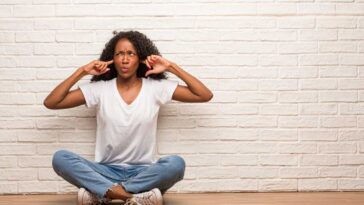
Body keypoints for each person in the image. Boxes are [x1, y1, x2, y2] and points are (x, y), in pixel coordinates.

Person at [43, 30, 213, 205]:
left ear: (140, 58)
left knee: (176, 164)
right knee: (60, 158)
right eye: (119, 54)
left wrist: (171, 67)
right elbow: (52, 102)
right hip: (105, 171)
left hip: (144, 173)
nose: (125, 59)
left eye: (130, 53)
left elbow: (204, 95)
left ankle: (103, 193)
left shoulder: (156, 88)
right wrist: (82, 72)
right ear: (112, 58)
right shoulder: (100, 89)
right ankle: (134, 197)